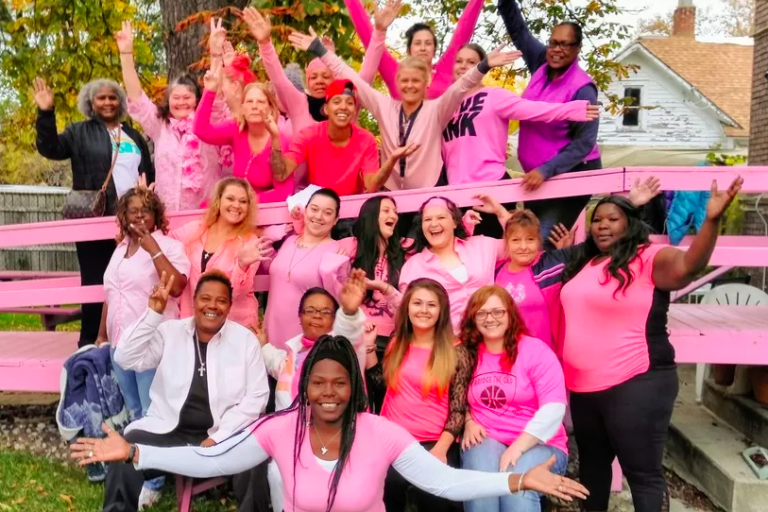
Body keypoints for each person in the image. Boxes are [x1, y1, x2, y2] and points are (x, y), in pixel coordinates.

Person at [72, 335, 589, 512]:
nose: (327, 393)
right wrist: (138, 452)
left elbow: (444, 479)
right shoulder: (281, 427)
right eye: (317, 382)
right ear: (304, 385)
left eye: (339, 383)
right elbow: (212, 457)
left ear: (355, 387)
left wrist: (519, 479)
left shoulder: (379, 432)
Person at [559, 177, 742, 512]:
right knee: (593, 471)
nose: (602, 226)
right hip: (584, 390)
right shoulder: (585, 263)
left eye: (613, 219)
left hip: (636, 383)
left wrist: (711, 222)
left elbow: (690, 265)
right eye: (597, 220)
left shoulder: (649, 257)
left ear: (631, 224)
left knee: (642, 475)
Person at [288, 3, 522, 191]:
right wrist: (321, 50)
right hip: (391, 187)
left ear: (427, 82)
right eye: (405, 80)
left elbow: (459, 86)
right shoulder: (384, 104)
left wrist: (483, 66)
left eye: (428, 43)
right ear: (397, 81)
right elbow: (351, 77)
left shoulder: (437, 106)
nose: (410, 85)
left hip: (431, 186)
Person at [95, 271, 270, 511]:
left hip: (223, 433)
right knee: (125, 446)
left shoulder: (244, 342)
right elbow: (125, 357)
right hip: (169, 430)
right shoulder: (171, 332)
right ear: (195, 301)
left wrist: (219, 437)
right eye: (205, 298)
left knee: (254, 456)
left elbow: (257, 397)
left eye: (221, 301)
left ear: (229, 306)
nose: (212, 306)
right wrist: (152, 315)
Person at [33, 77, 154, 348]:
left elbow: (148, 174)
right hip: (96, 221)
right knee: (96, 282)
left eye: (113, 97)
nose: (108, 102)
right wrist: (45, 113)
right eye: (102, 98)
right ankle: (89, 343)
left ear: (120, 102)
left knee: (133, 281)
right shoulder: (78, 132)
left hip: (134, 222)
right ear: (91, 103)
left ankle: (130, 343)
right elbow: (50, 148)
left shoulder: (133, 136)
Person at [442, 43, 599, 237]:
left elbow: (533, 110)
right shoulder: (445, 103)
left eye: (472, 62)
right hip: (456, 195)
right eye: (459, 61)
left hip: (491, 191)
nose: (464, 66)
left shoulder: (494, 96)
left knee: (494, 257)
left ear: (481, 68)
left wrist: (571, 109)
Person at [260, 270, 367, 512]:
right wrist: (263, 345)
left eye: (325, 311)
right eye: (310, 310)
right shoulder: (293, 354)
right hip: (293, 437)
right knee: (277, 473)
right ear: (300, 316)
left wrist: (348, 313)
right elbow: (275, 363)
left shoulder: (342, 351)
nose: (317, 316)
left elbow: (349, 336)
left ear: (333, 318)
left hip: (335, 436)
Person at [498, 0, 602, 246]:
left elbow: (584, 143)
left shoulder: (583, 89)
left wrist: (546, 170)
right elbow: (518, 30)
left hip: (572, 174)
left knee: (541, 242)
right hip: (537, 177)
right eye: (554, 42)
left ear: (577, 49)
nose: (557, 49)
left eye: (565, 45)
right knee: (529, 239)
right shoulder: (541, 62)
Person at [459, 286, 568, 512]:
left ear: (510, 314)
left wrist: (518, 447)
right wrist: (468, 420)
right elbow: (455, 395)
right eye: (481, 313)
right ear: (473, 318)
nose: (490, 319)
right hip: (486, 437)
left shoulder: (535, 351)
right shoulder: (467, 352)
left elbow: (554, 408)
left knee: (518, 486)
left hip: (540, 443)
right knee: (482, 489)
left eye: (498, 311)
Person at [373, 278, 472, 512]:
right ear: (407, 307)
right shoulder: (397, 343)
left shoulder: (456, 351)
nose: (424, 310)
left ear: (441, 311)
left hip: (435, 441)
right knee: (385, 490)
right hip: (394, 439)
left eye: (431, 305)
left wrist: (440, 449)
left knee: (436, 500)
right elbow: (382, 385)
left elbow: (458, 409)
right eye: (417, 303)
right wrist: (368, 348)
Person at [97, 187, 190, 420]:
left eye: (146, 210)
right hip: (119, 343)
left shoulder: (170, 246)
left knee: (152, 411)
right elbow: (111, 294)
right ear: (124, 216)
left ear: (156, 215)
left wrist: (153, 249)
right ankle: (137, 454)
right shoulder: (120, 249)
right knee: (133, 410)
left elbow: (177, 286)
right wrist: (102, 335)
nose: (139, 215)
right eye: (133, 211)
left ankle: (154, 455)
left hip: (150, 344)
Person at [116, 20, 222, 212]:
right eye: (176, 97)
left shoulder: (208, 123)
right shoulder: (159, 125)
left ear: (197, 100)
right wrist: (125, 54)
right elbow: (136, 96)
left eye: (187, 97)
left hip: (206, 216)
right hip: (168, 216)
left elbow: (215, 86)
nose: (181, 102)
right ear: (168, 100)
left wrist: (216, 54)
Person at [275, 79, 419, 195]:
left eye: (349, 103)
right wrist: (275, 138)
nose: (343, 107)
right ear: (326, 109)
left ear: (354, 110)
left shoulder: (366, 140)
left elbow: (372, 185)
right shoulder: (308, 135)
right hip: (318, 208)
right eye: (337, 102)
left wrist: (392, 159)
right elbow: (281, 174)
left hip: (352, 209)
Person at [171, 177, 277, 331]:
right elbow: (163, 241)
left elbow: (235, 294)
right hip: (193, 323)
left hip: (233, 327)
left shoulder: (249, 242)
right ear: (218, 201)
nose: (236, 205)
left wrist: (242, 265)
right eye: (230, 198)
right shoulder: (195, 229)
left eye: (243, 201)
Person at [398, 197, 506, 332]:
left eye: (441, 217)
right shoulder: (413, 266)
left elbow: (519, 246)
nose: (433, 224)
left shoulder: (481, 245)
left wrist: (501, 213)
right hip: (446, 346)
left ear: (455, 222)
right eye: (427, 219)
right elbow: (405, 310)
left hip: (489, 336)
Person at [194, 61, 293, 204]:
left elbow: (283, 194)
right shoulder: (236, 128)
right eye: (249, 102)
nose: (254, 106)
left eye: (260, 102)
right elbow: (201, 131)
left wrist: (245, 202)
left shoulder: (281, 140)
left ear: (271, 108)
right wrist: (210, 92)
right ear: (243, 108)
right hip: (236, 206)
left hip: (266, 211)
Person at [344, 0, 485, 99]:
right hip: (403, 141)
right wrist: (380, 29)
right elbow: (368, 36)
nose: (423, 48)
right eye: (417, 43)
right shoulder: (396, 73)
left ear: (434, 49)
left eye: (428, 43)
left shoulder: (444, 71)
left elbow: (463, 29)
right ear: (409, 50)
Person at [263, 188, 345, 349]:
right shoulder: (289, 240)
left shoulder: (337, 250)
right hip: (271, 335)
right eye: (314, 209)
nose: (319, 216)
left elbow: (342, 301)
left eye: (327, 213)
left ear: (336, 220)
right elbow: (269, 267)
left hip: (305, 342)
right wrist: (274, 233)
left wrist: (330, 274)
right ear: (305, 211)